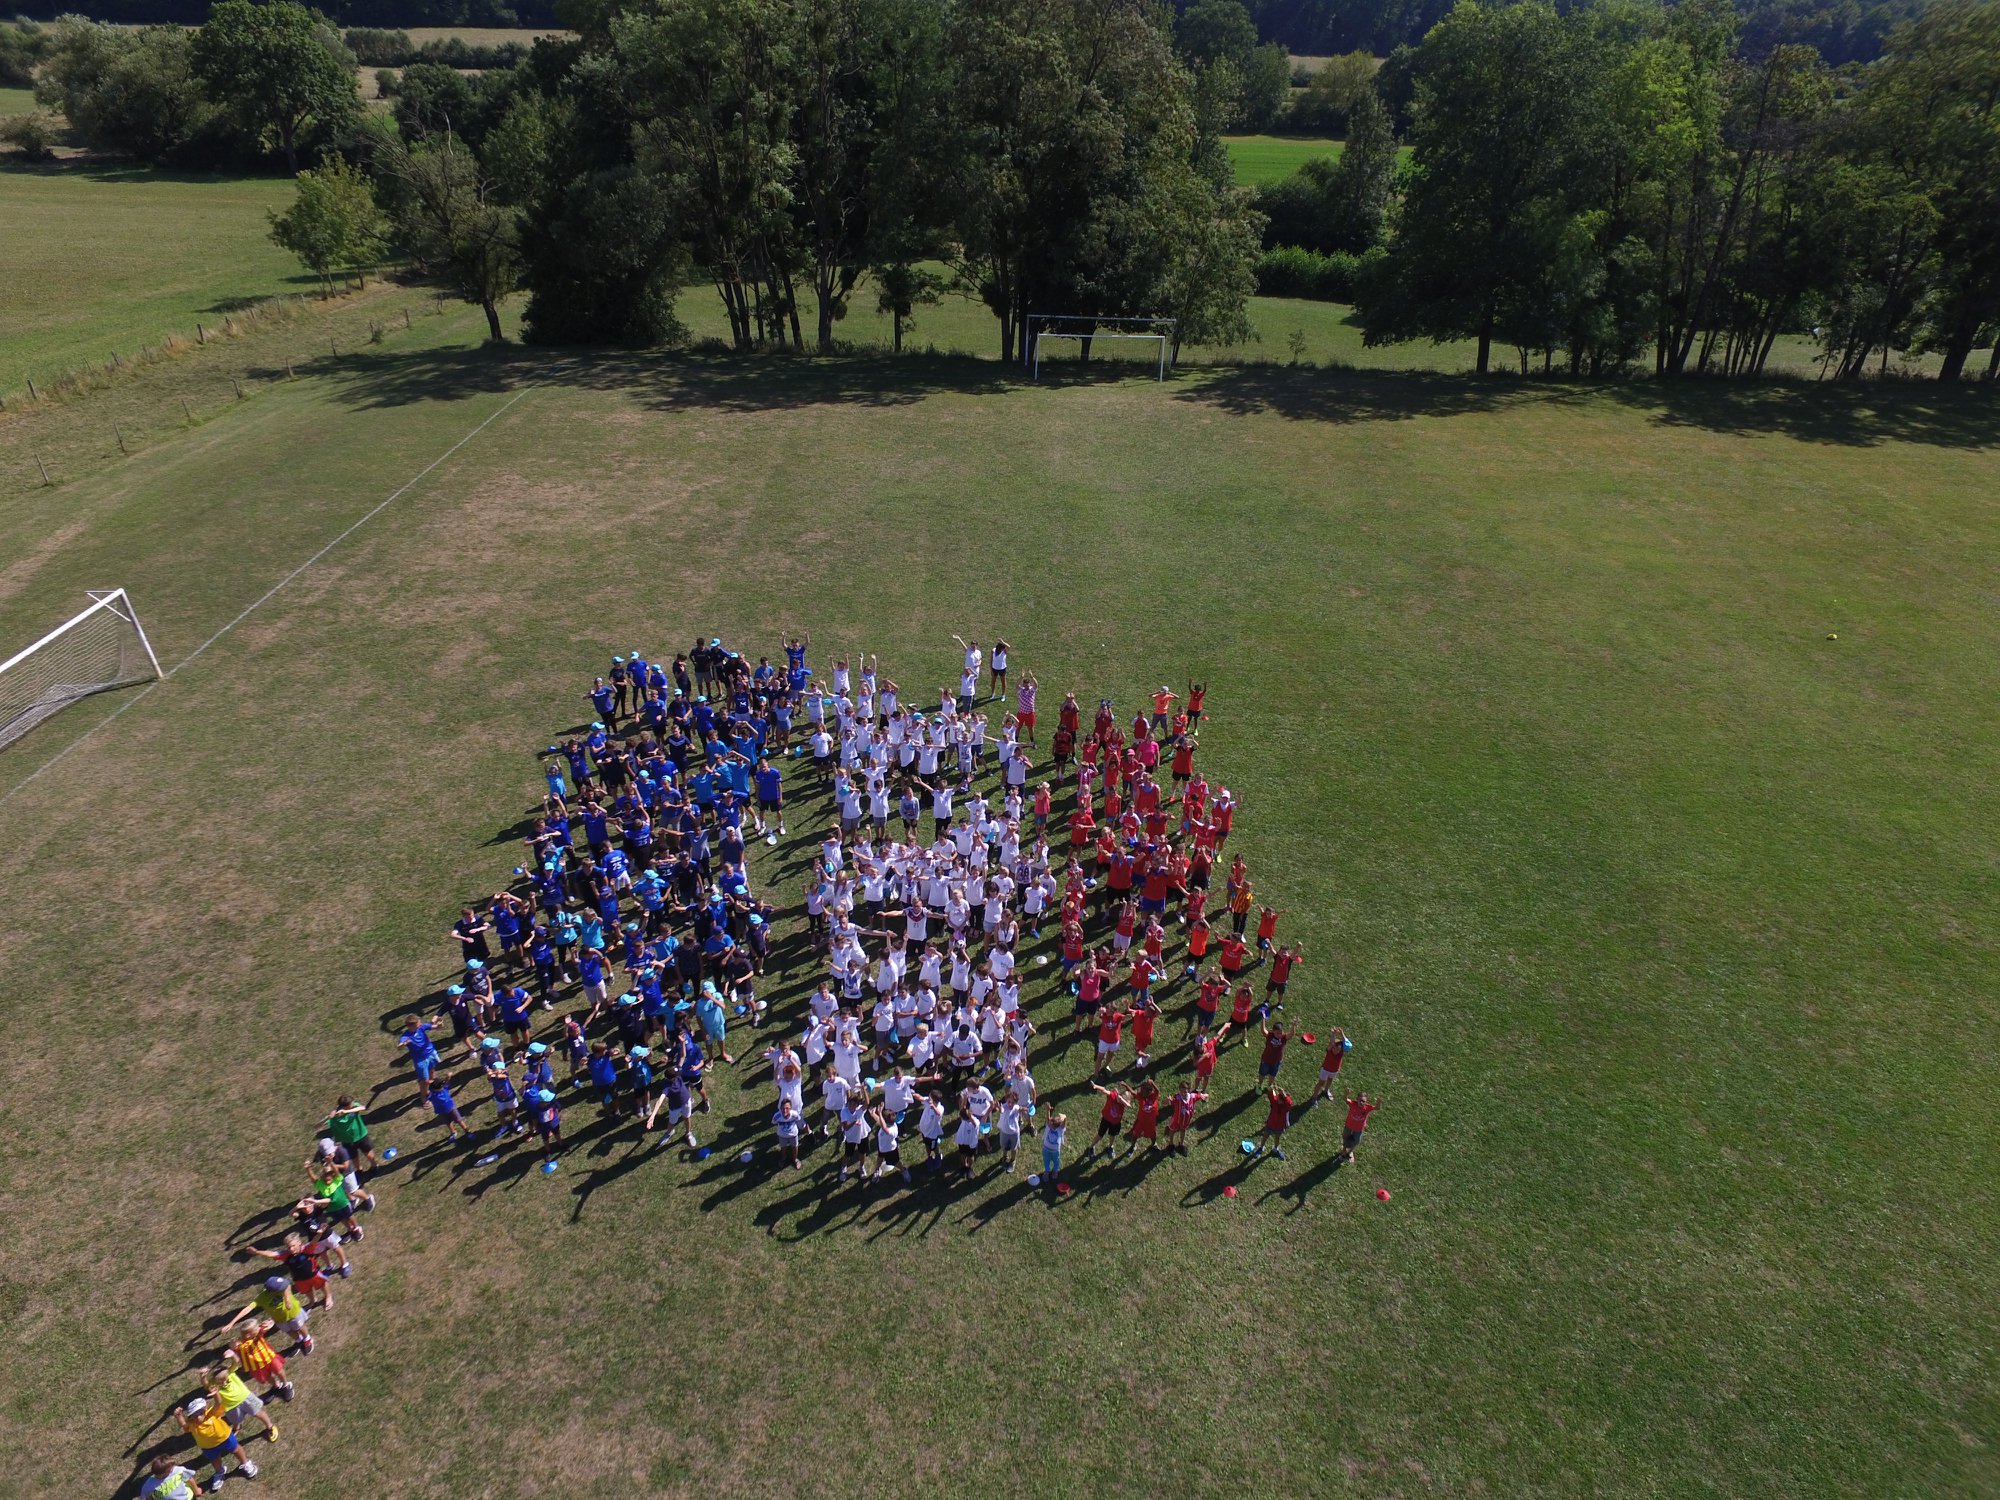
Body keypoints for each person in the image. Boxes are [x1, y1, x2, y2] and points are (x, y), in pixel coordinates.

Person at [174, 1396, 259, 1490]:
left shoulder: (211, 1413)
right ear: (191, 1416)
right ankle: (219, 1472)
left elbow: (218, 1403)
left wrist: (216, 1394)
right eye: (195, 1415)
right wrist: (179, 1417)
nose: (198, 1417)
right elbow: (184, 1425)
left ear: (205, 1409)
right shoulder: (192, 1423)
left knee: (236, 1450)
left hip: (225, 1438)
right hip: (208, 1447)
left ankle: (246, 1463)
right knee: (214, 1460)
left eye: (200, 1413)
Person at [223, 1276, 313, 1356]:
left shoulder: (282, 1286)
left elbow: (287, 1286)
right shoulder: (262, 1297)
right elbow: (248, 1308)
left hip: (294, 1313)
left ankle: (307, 1339)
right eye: (280, 1288)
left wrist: (287, 1299)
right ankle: (299, 1341)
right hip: (280, 1319)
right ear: (272, 1291)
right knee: (289, 1331)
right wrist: (231, 1323)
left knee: (300, 1327)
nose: (282, 1288)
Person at [205, 1358, 279, 1444]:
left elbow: (236, 1362)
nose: (224, 1382)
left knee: (259, 1413)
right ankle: (237, 1427)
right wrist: (203, 1376)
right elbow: (206, 1385)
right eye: (221, 1381)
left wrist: (232, 1355)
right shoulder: (214, 1383)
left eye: (225, 1379)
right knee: (235, 1420)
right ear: (215, 1380)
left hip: (246, 1398)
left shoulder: (230, 1372)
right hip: (231, 1406)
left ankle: (270, 1426)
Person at [1084, 1082, 1130, 1157]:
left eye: (1122, 1101)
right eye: (1120, 1099)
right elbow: (1104, 1090)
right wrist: (1096, 1086)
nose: (1120, 1102)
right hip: (1106, 1120)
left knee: (1112, 1135)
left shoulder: (1123, 1103)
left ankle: (1110, 1147)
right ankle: (1091, 1147)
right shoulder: (1112, 1095)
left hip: (1115, 1123)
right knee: (1100, 1135)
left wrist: (1122, 1100)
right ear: (1119, 1095)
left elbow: (1129, 1106)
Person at [1307, 1027, 1350, 1104]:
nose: (1336, 1051)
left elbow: (1346, 1043)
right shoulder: (1329, 1050)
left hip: (1334, 1070)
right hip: (1325, 1069)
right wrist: (1333, 1034)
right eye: (1335, 1048)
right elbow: (1331, 1042)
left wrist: (1342, 1033)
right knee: (1321, 1083)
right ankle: (1314, 1097)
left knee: (1330, 1080)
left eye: (1338, 1049)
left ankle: (1326, 1091)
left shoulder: (1341, 1052)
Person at [1253, 1085, 1293, 1159]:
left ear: (1283, 1100)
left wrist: (1284, 1094)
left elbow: (1289, 1103)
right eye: (1278, 1098)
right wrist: (1271, 1090)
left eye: (1280, 1100)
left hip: (1279, 1126)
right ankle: (1261, 1147)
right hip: (1270, 1124)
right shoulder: (1275, 1102)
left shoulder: (1286, 1106)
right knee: (1265, 1136)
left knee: (1277, 1138)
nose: (1278, 1100)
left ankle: (1276, 1149)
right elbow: (1271, 1096)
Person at [1339, 1091, 1378, 1163]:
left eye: (1363, 1101)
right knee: (1345, 1137)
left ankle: (1350, 1152)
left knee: (1356, 1141)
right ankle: (1344, 1151)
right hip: (1349, 1126)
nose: (1361, 1102)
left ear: (1366, 1102)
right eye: (1360, 1100)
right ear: (1357, 1099)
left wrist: (1379, 1102)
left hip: (1359, 1129)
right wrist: (1346, 1094)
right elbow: (1345, 1099)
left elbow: (1377, 1108)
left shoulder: (1367, 1108)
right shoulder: (1353, 1104)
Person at [1165, 1084, 1206, 1152]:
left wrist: (1205, 1096)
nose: (1183, 1093)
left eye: (1185, 1091)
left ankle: (1181, 1145)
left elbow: (1203, 1096)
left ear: (1189, 1090)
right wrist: (1166, 1100)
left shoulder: (1192, 1096)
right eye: (1182, 1091)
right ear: (1179, 1090)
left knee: (1183, 1130)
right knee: (1172, 1130)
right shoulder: (1177, 1098)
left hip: (1186, 1120)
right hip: (1176, 1120)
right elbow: (1164, 1103)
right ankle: (1171, 1145)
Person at [1039, 1110, 1067, 1188]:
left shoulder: (1060, 1129)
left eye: (1051, 1124)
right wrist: (1047, 1110)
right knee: (1046, 1161)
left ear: (1056, 1126)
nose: (1048, 1124)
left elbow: (1064, 1124)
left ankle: (1055, 1171)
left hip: (1055, 1151)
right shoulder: (1048, 1126)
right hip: (1046, 1149)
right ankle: (1047, 1171)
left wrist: (1064, 1117)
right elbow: (1048, 1119)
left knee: (1056, 1161)